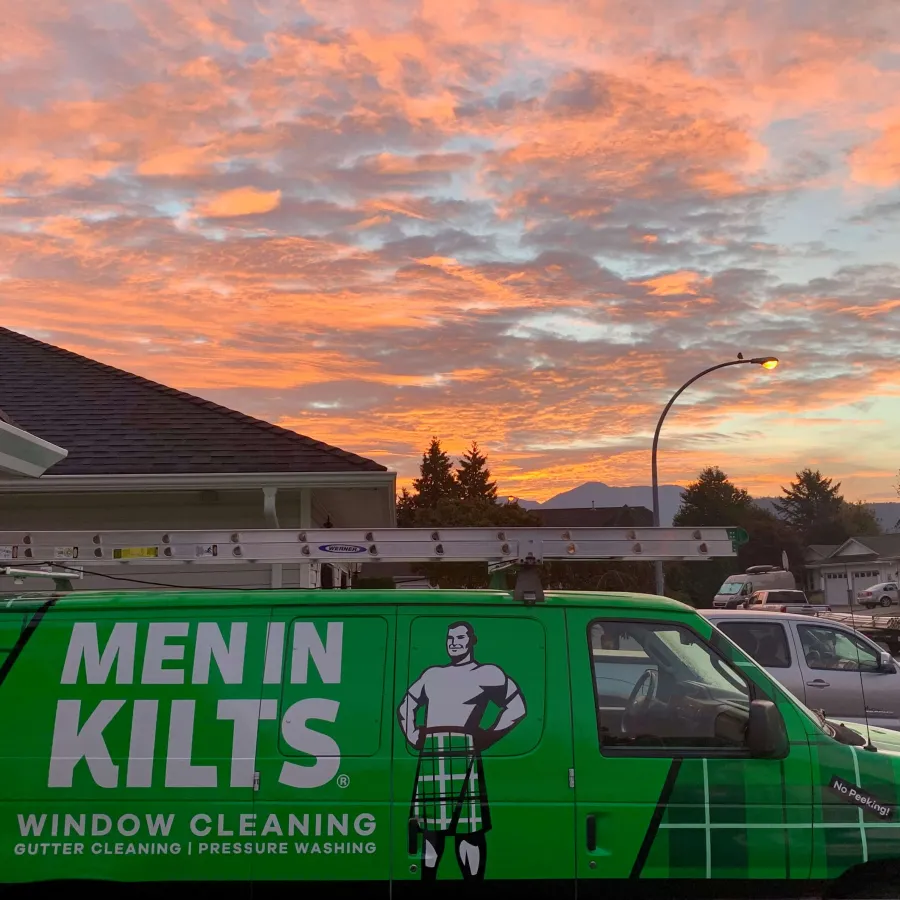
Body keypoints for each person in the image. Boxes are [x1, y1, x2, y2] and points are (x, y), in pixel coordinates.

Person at [397, 621, 526, 880]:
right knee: (431, 828)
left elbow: (517, 706)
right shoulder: (432, 674)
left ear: (472, 641)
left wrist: (488, 736)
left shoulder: (487, 673)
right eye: (450, 638)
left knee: (469, 830)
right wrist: (413, 736)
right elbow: (406, 706)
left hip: (464, 748)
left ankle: (472, 884)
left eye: (460, 637)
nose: (454, 642)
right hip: (433, 751)